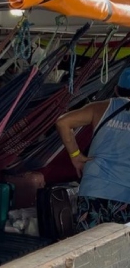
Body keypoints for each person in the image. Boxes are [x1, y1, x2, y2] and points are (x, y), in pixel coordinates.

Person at [55, 68, 130, 230]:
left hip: (94, 188)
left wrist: (76, 156)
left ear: (116, 89)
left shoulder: (100, 108)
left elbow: (63, 122)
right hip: (126, 194)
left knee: (88, 247)